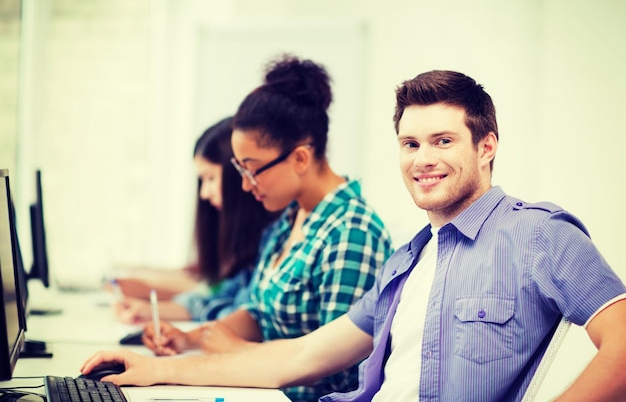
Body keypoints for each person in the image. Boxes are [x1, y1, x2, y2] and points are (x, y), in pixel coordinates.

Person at [82, 70, 626, 401]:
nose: (424, 159)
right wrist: (156, 370)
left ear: (486, 147)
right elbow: (297, 358)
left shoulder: (537, 234)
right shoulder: (408, 261)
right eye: (410, 144)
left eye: (443, 140)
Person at [136, 55, 392, 401]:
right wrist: (193, 338)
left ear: (300, 158)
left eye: (252, 169)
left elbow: (339, 376)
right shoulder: (289, 219)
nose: (245, 185)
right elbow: (259, 312)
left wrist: (237, 351)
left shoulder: (352, 234)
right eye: (240, 170)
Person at [114, 117, 279, 323]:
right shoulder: (246, 243)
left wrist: (151, 297)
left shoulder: (273, 237)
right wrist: (150, 310)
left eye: (210, 178)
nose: (204, 193)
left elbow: (238, 313)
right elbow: (217, 297)